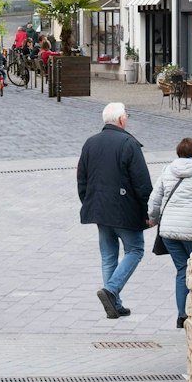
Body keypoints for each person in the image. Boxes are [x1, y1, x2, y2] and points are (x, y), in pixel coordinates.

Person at [78, 101, 154, 319]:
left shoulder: (90, 143)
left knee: (108, 256)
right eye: (126, 116)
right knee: (135, 249)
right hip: (124, 210)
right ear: (122, 120)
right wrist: (148, 212)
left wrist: (88, 202)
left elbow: (82, 179)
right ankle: (111, 290)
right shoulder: (128, 143)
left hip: (99, 210)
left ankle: (114, 305)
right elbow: (142, 183)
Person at [149, 137, 192, 329]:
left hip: (169, 231)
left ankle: (182, 314)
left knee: (182, 270)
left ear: (177, 153)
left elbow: (155, 199)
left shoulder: (166, 171)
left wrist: (152, 218)